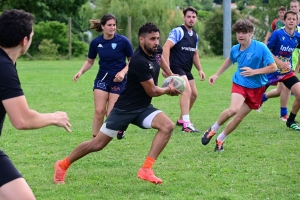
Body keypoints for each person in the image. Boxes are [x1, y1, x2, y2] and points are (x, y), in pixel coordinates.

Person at [53, 22, 181, 185]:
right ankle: (62, 165)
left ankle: (146, 169)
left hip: (142, 108)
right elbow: (153, 91)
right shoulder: (138, 61)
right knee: (97, 144)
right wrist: (168, 89)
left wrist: (170, 75)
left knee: (168, 126)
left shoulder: (156, 50)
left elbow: (160, 57)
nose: (156, 42)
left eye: (157, 38)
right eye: (152, 39)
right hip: (124, 109)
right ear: (141, 40)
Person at [0, 9, 71, 200]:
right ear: (25, 41)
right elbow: (22, 119)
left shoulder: (6, 64)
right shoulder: (3, 68)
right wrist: (55, 117)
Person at [201, 19, 277, 152]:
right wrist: (217, 74)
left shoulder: (261, 48)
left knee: (238, 118)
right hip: (240, 83)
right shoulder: (235, 49)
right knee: (233, 110)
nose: (240, 35)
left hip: (257, 88)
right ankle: (213, 129)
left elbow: (273, 67)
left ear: (251, 33)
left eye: (244, 32)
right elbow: (230, 59)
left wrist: (255, 71)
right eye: (238, 32)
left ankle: (220, 139)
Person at [73, 14, 133, 139]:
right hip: (102, 78)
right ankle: (95, 139)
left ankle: (121, 126)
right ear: (102, 26)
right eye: (109, 25)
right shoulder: (96, 42)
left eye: (114, 25)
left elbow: (132, 61)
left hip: (119, 80)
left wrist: (122, 73)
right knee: (99, 111)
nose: (112, 28)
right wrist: (80, 71)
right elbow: (90, 61)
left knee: (111, 114)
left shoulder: (123, 41)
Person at [162, 6, 206, 133]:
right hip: (176, 67)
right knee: (187, 91)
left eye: (193, 17)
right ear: (184, 17)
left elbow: (195, 54)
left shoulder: (195, 35)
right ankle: (186, 125)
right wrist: (167, 68)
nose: (191, 19)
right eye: (189, 17)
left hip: (186, 68)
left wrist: (200, 69)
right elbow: (166, 47)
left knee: (194, 94)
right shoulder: (178, 31)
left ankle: (181, 119)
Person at [262, 10, 300, 131]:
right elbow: (267, 52)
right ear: (284, 21)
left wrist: (298, 65)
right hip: (270, 70)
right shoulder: (278, 34)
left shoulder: (297, 37)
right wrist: (280, 62)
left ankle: (290, 120)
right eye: (289, 19)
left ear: (297, 22)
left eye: (294, 19)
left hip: (286, 72)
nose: (291, 21)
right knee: (251, 99)